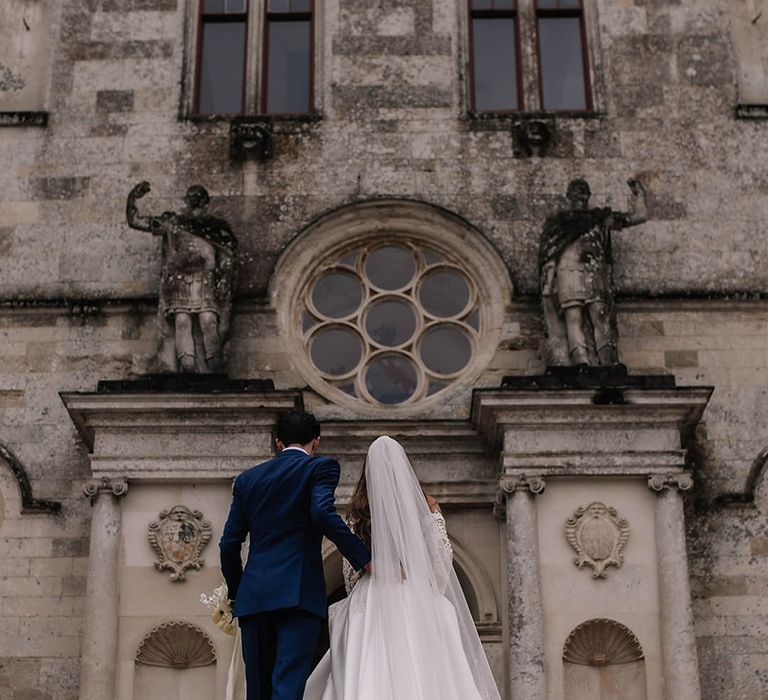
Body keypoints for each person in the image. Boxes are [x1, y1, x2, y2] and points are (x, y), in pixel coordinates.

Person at [303, 435, 501, 700]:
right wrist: (424, 589)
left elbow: (351, 574)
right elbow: (441, 561)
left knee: (367, 661)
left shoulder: (359, 511)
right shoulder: (426, 505)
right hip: (415, 591)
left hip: (371, 594)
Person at [219, 410, 371, 700]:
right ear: (316, 441)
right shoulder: (320, 468)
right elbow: (322, 512)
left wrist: (238, 592)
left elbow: (229, 543)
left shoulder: (247, 480)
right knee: (288, 685)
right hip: (298, 593)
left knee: (258, 691)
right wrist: (363, 557)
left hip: (254, 599)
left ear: (278, 442)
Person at [126, 181, 237, 373]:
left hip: (206, 278)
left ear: (205, 201)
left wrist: (224, 273)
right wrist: (132, 198)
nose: (194, 200)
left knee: (208, 319)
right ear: (187, 200)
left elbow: (228, 255)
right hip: (179, 279)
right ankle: (187, 363)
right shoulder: (173, 222)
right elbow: (135, 221)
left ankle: (214, 362)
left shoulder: (217, 227)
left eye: (198, 196)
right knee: (182, 321)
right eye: (191, 196)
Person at [539, 177, 647, 366]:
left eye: (583, 191)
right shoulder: (559, 222)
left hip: (594, 269)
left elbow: (638, 216)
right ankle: (580, 362)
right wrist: (549, 277)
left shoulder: (600, 218)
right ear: (568, 196)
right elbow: (549, 254)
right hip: (568, 268)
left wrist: (639, 194)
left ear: (588, 195)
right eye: (575, 191)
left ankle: (608, 362)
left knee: (601, 314)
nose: (579, 194)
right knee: (573, 316)